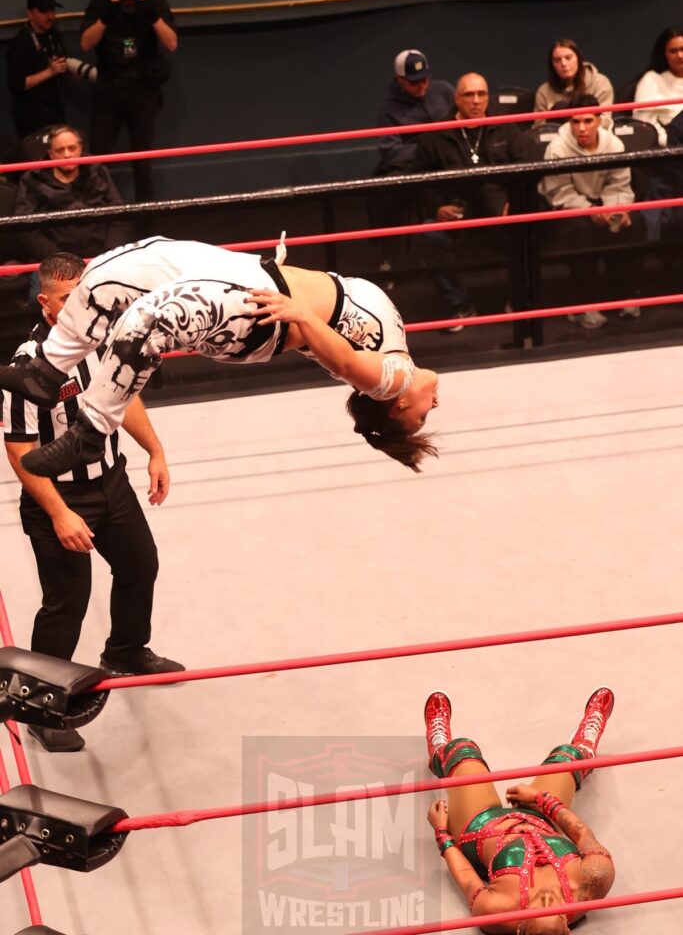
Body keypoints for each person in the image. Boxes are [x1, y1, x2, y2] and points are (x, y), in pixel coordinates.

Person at [0, 237, 440, 476]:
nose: (433, 406)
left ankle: (90, 433)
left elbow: (346, 364)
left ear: (399, 406)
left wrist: (303, 315)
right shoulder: (397, 348)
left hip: (257, 314)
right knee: (108, 273)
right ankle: (46, 370)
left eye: (419, 419)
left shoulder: (393, 380)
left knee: (148, 323)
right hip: (253, 277)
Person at [1, 253, 185, 753]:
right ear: (45, 303)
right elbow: (18, 451)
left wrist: (155, 451)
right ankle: (41, 708)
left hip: (111, 482)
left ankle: (126, 651)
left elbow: (122, 398)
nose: (82, 306)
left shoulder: (105, 338)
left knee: (139, 566)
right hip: (57, 496)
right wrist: (60, 512)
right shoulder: (29, 365)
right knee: (66, 604)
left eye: (85, 294)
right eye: (68, 299)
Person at [425, 687, 615, 934]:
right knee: (567, 759)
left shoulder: (497, 910)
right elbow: (581, 833)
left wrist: (442, 833)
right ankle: (585, 746)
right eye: (556, 908)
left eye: (539, 907)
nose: (547, 899)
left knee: (463, 752)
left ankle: (439, 752)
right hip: (540, 818)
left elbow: (466, 877)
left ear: (520, 928)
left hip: (480, 828)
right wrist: (543, 799)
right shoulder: (593, 881)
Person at [412, 72, 526, 326]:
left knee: (526, 225)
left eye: (481, 94)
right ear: (457, 98)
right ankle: (458, 306)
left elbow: (525, 171)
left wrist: (514, 203)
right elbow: (419, 181)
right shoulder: (435, 135)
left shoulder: (506, 129)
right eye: (469, 95)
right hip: (456, 217)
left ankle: (518, 299)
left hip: (501, 214)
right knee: (428, 234)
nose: (476, 101)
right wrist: (438, 207)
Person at [538, 95, 644, 329]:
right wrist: (589, 210)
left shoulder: (614, 144)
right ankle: (582, 305)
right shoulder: (557, 148)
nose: (581, 128)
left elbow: (619, 184)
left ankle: (627, 295)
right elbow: (559, 192)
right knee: (580, 231)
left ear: (599, 120)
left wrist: (616, 209)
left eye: (587, 121)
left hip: (605, 202)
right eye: (575, 122)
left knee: (633, 223)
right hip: (568, 208)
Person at [80, 0, 178, 202]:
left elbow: (171, 44)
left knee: (142, 164)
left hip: (142, 91)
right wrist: (105, 18)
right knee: (98, 161)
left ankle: (147, 225)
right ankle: (96, 218)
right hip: (109, 89)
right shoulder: (102, 1)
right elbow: (85, 44)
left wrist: (153, 15)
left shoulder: (154, 1)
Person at [14, 124, 131, 300]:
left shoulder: (98, 171)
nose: (67, 154)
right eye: (60, 150)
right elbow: (26, 229)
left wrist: (107, 256)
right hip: (55, 263)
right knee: (42, 303)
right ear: (51, 154)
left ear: (81, 149)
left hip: (100, 257)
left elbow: (120, 217)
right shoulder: (32, 179)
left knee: (127, 295)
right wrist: (61, 261)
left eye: (72, 148)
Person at [6, 0, 96, 139]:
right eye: (44, 12)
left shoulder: (53, 34)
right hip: (32, 116)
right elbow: (17, 84)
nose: (50, 16)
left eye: (52, 10)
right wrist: (50, 72)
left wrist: (74, 72)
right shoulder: (21, 43)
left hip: (55, 110)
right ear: (30, 13)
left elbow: (62, 60)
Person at [375, 50, 455, 175]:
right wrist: (429, 150)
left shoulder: (444, 90)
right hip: (413, 167)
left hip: (449, 159)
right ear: (399, 79)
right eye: (414, 82)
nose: (421, 86)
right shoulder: (388, 110)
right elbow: (390, 151)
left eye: (424, 80)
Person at [534, 39, 614, 125]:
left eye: (568, 58)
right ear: (552, 64)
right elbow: (539, 129)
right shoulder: (543, 91)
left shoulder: (600, 83)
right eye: (557, 60)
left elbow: (605, 122)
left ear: (578, 58)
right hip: (556, 137)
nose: (563, 63)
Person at [633, 26, 683, 145]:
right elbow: (644, 124)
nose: (680, 56)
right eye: (673, 51)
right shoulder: (652, 80)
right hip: (673, 144)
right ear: (664, 54)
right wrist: (667, 143)